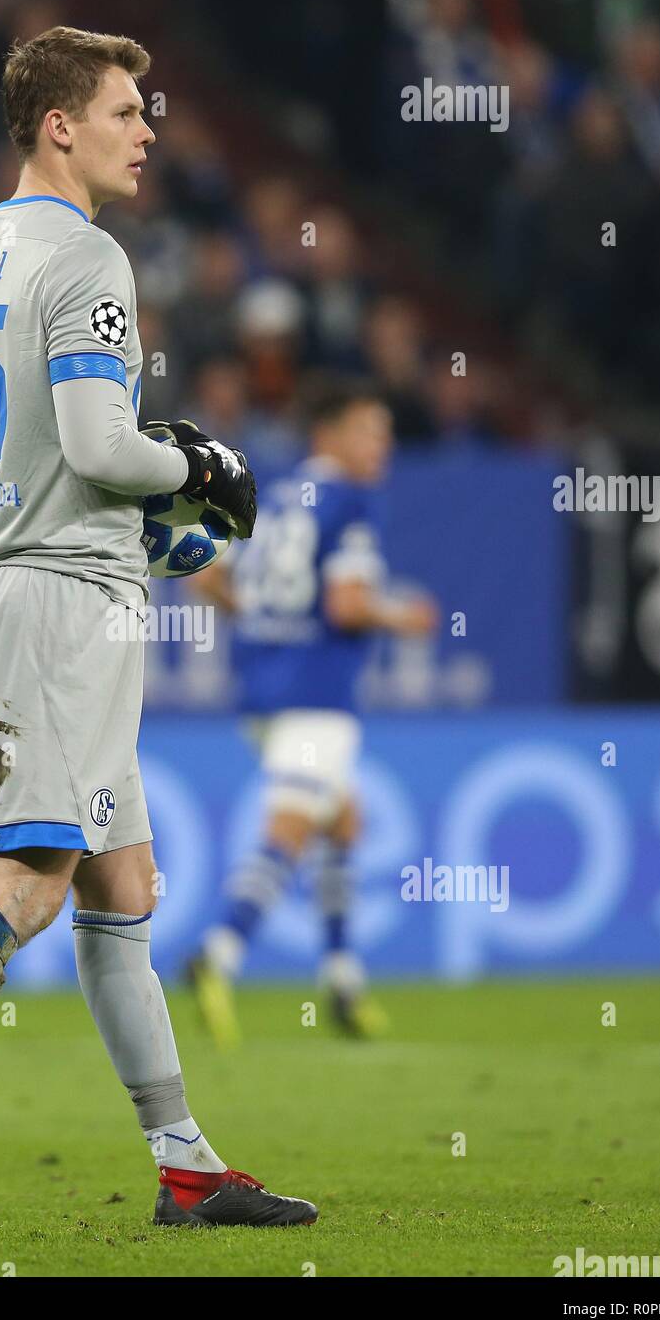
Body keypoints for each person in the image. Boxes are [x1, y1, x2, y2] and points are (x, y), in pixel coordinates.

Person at [0, 25, 316, 1237]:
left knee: (120, 881)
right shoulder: (88, 260)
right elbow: (100, 447)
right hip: (56, 609)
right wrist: (197, 459)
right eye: (127, 110)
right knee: (29, 877)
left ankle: (187, 1165)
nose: (148, 131)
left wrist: (139, 535)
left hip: (14, 578)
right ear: (59, 125)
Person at [189, 375, 438, 1046]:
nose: (381, 445)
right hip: (317, 692)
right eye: (368, 430)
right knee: (293, 827)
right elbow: (347, 606)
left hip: (261, 690)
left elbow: (208, 575)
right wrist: (403, 616)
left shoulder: (275, 497)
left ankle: (341, 979)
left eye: (385, 433)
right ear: (328, 434)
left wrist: (266, 624)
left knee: (343, 822)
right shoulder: (354, 502)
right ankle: (219, 953)